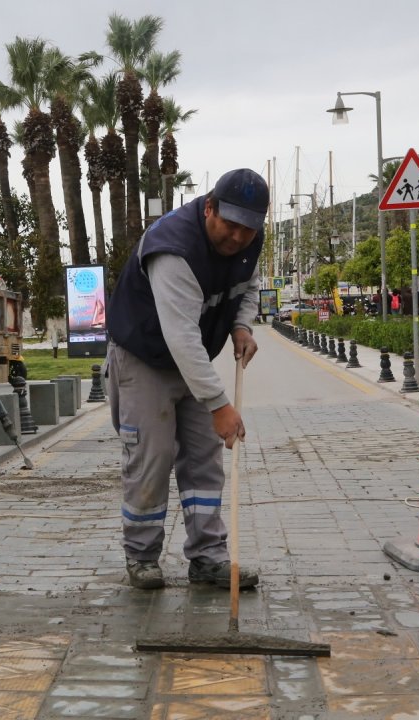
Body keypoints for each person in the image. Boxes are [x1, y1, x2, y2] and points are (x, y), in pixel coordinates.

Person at [104, 168, 266, 591]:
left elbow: (247, 288)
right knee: (151, 460)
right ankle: (141, 556)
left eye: (247, 230)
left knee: (204, 461)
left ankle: (208, 557)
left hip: (191, 359)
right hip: (145, 358)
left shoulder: (251, 240)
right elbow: (180, 336)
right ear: (208, 208)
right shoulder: (174, 248)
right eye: (229, 226)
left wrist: (242, 326)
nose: (237, 238)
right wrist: (219, 405)